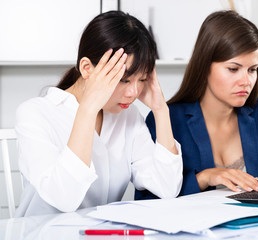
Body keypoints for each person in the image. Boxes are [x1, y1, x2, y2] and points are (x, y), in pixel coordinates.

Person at [135, 10, 258, 200]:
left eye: (252, 69)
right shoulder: (167, 120)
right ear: (204, 66)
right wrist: (203, 178)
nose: (246, 81)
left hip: (247, 228)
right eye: (233, 69)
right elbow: (146, 199)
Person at [14, 11, 183, 217]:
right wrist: (88, 108)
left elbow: (167, 187)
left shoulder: (128, 116)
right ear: (87, 68)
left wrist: (160, 109)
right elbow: (63, 198)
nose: (134, 93)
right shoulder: (35, 113)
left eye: (142, 79)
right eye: (124, 80)